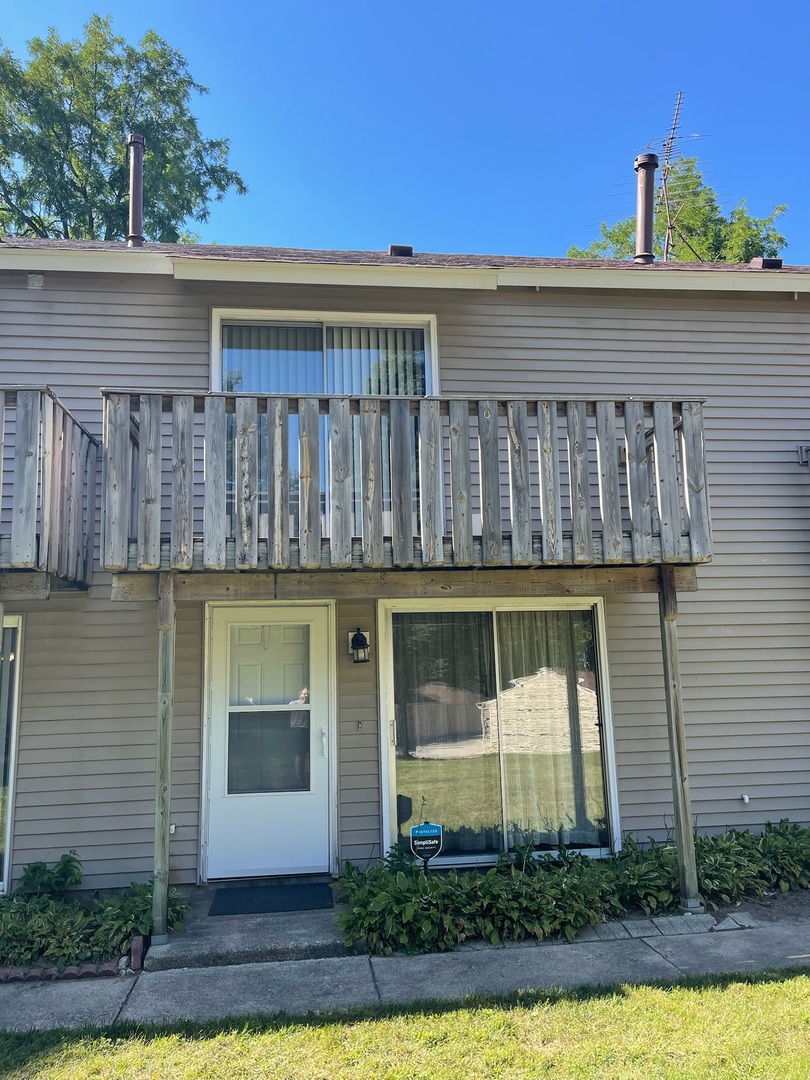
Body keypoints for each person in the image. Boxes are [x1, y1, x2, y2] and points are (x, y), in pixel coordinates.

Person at [289, 687, 310, 787]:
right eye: (304, 693)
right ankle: (299, 778)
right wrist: (303, 704)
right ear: (299, 694)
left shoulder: (312, 703)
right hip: (297, 729)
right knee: (299, 754)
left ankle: (308, 776)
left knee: (308, 754)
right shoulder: (294, 703)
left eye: (308, 694)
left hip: (307, 729)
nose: (306, 696)